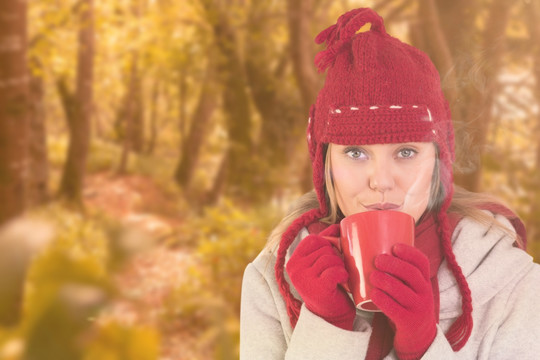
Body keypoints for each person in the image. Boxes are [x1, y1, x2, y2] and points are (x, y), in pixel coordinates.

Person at [240, 7, 540, 360]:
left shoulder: (512, 282)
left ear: (439, 161)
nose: (380, 181)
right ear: (325, 164)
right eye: (355, 153)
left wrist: (423, 345)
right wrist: (326, 325)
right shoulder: (273, 281)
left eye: (406, 152)